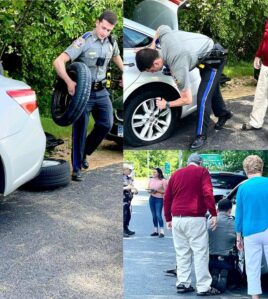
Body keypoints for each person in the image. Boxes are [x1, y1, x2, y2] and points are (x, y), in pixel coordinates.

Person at [135, 26, 232, 149]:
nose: (153, 73)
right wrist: (151, 46)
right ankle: (224, 114)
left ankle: (201, 136)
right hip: (201, 51)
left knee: (202, 99)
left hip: (214, 61)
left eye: (152, 70)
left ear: (156, 62)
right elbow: (161, 28)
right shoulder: (164, 40)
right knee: (210, 89)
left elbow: (187, 99)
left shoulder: (177, 65)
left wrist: (167, 104)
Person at [53, 10, 123, 181]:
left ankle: (84, 152)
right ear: (97, 22)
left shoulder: (111, 42)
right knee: (80, 129)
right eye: (103, 28)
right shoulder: (84, 41)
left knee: (106, 124)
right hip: (83, 94)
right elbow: (58, 61)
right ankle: (76, 168)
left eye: (108, 30)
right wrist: (69, 82)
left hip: (101, 91)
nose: (104, 32)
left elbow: (116, 56)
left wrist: (124, 73)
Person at [164, 153, 220, 296]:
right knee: (200, 252)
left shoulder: (176, 174)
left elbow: (167, 197)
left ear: (188, 162)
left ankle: (183, 283)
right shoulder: (202, 172)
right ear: (200, 163)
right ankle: (203, 287)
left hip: (177, 218)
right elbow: (208, 193)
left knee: (182, 252)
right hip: (195, 217)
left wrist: (168, 218)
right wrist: (214, 213)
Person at [235, 155, 268, 299]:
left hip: (250, 232)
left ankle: (255, 297)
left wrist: (238, 237)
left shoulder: (243, 188)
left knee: (253, 267)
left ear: (246, 169)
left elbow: (239, 214)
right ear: (261, 167)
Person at [242, 21, 268, 131]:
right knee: (261, 94)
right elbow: (265, 39)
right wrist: (258, 55)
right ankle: (256, 122)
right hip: (266, 64)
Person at [207, 199, 236, 292]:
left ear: (217, 209)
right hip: (227, 256)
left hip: (210, 256)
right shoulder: (233, 223)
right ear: (230, 210)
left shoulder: (209, 221)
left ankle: (214, 272)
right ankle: (226, 273)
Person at [147, 168, 166, 238]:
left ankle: (162, 232)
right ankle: (155, 231)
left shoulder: (163, 181)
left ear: (158, 173)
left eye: (155, 172)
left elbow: (166, 191)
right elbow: (148, 190)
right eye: (153, 172)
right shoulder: (151, 180)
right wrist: (150, 191)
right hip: (152, 198)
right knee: (154, 215)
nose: (153, 173)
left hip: (159, 199)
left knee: (158, 215)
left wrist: (157, 191)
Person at [123, 164, 138, 238]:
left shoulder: (129, 178)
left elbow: (131, 187)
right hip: (123, 199)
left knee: (128, 215)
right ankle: (122, 231)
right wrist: (126, 187)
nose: (130, 171)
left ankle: (126, 229)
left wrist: (134, 190)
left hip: (128, 199)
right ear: (124, 169)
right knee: (124, 215)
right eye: (129, 170)